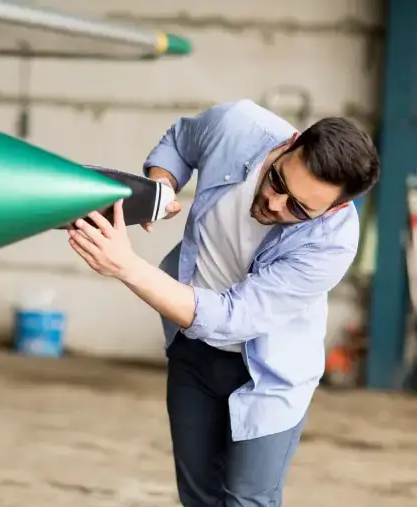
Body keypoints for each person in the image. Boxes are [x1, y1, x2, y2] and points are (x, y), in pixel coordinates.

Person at [67, 99, 380, 507]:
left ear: (335, 208)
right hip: (191, 352)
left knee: (246, 499)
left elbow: (233, 316)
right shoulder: (237, 127)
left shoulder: (332, 243)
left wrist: (127, 266)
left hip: (268, 376)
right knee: (197, 497)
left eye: (300, 208)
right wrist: (161, 187)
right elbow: (180, 142)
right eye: (278, 182)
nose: (275, 203)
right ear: (292, 143)